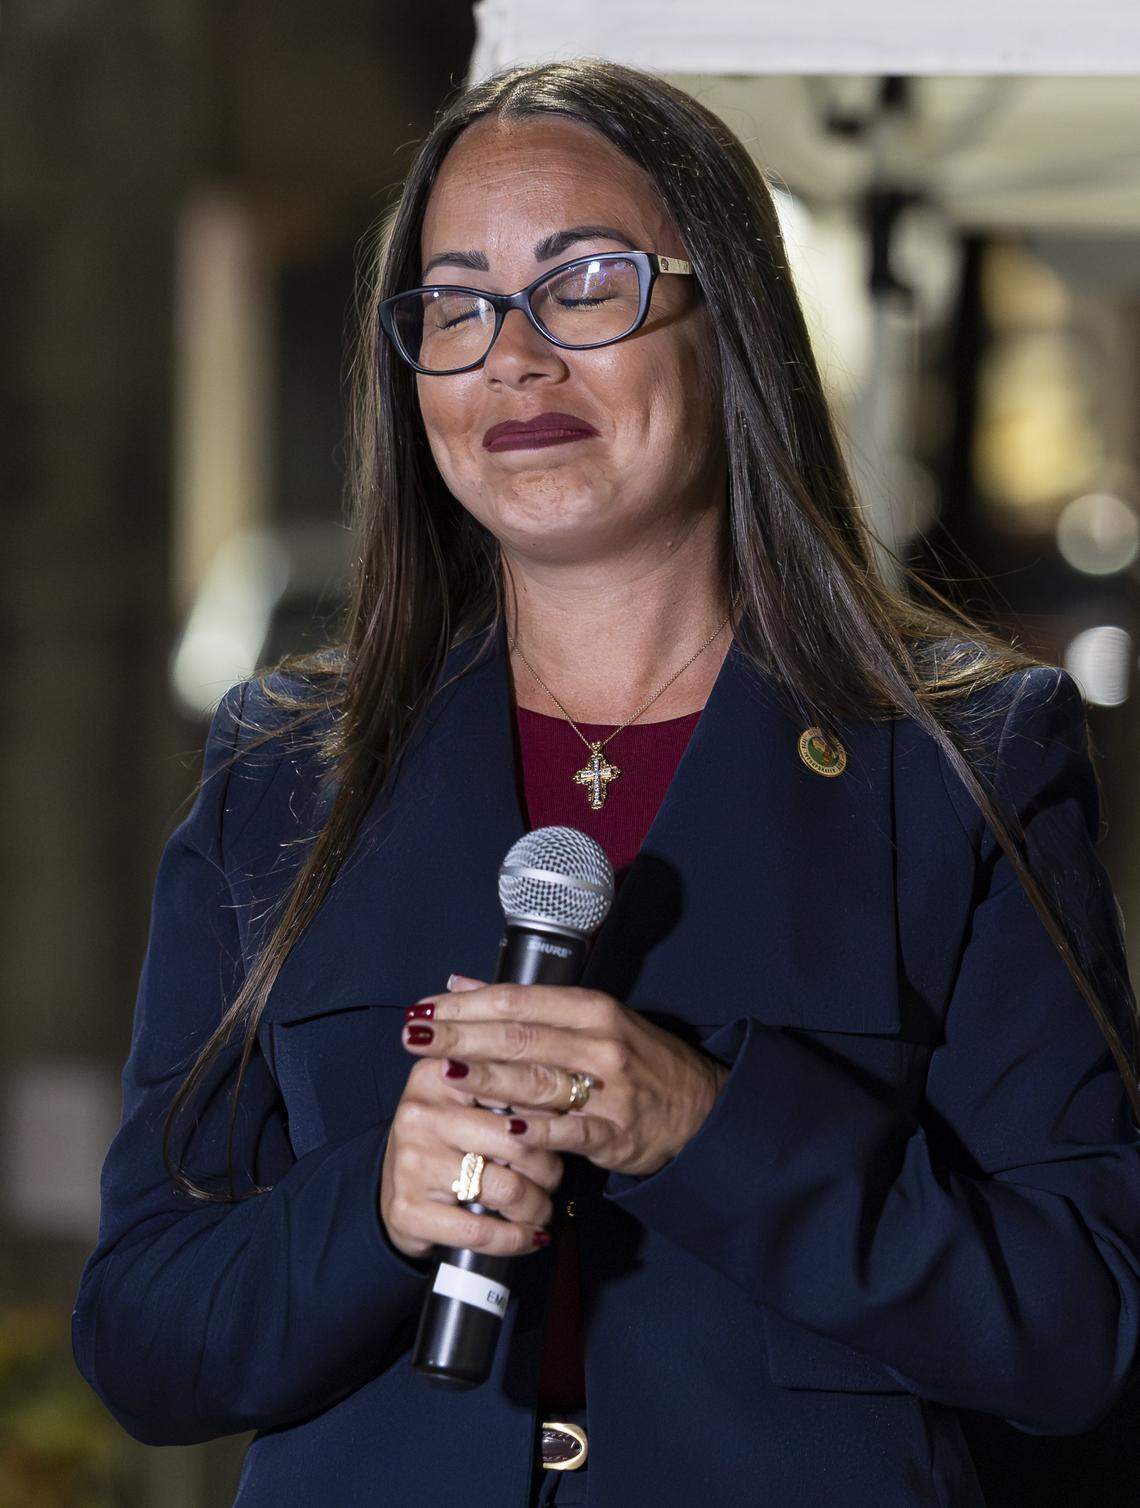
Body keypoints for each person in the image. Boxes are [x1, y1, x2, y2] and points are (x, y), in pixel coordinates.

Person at [72, 57, 1140, 1507]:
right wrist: (372, 1209)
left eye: (585, 284)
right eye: (455, 306)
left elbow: (1088, 1328)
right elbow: (143, 1340)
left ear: (737, 322)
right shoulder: (283, 772)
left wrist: (711, 1129)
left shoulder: (963, 760)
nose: (513, 357)